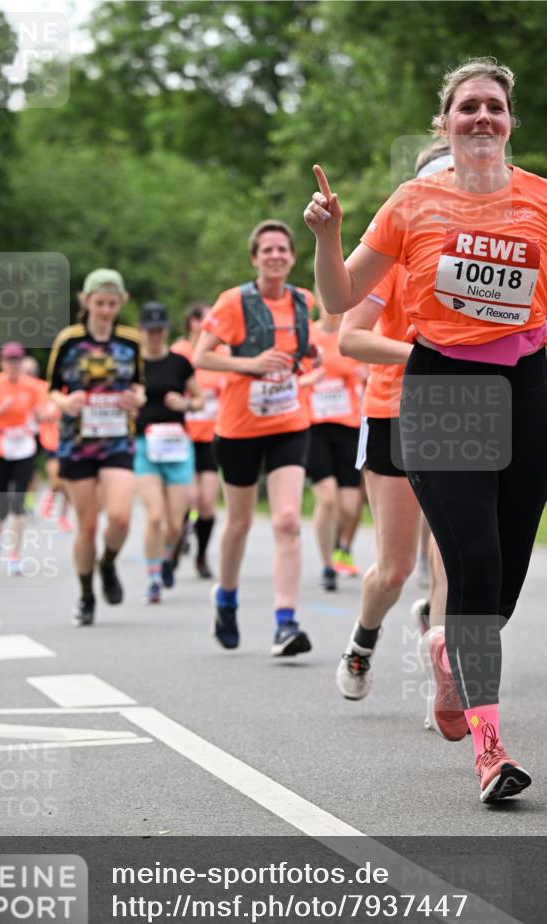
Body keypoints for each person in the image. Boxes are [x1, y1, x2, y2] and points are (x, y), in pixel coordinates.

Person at [305, 57, 547, 803]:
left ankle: (446, 649)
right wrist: (328, 237)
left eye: (494, 105)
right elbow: (338, 296)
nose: (482, 116)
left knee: (505, 581)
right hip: (443, 388)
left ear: (510, 121)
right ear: (446, 122)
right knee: (477, 562)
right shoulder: (412, 202)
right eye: (468, 106)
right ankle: (491, 751)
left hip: (525, 388)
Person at [333, 140, 450, 707]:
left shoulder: (492, 254)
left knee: (456, 556)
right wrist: (422, 357)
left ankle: (447, 688)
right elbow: (350, 338)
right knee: (396, 569)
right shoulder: (395, 254)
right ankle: (363, 639)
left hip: (462, 415)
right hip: (394, 413)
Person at [194, 219, 318, 657]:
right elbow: (202, 356)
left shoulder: (304, 301)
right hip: (239, 428)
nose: (276, 255)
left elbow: (301, 353)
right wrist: (250, 365)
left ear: (293, 257)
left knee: (286, 518)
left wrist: (307, 360)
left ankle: (286, 623)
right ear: (254, 258)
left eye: (283, 249)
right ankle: (226, 598)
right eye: (267, 249)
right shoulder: (234, 302)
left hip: (289, 423)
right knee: (240, 523)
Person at [47, 269, 145, 625]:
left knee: (120, 516)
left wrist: (137, 399)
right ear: (86, 301)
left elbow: (139, 386)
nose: (105, 310)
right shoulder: (69, 340)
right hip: (77, 443)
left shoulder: (131, 341)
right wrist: (66, 402)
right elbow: (52, 388)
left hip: (117, 439)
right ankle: (86, 594)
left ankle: (108, 564)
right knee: (87, 525)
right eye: (99, 303)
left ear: (122, 303)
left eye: (112, 304)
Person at [134, 301, 204, 604]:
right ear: (140, 331)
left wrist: (186, 403)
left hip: (177, 447)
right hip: (144, 446)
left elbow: (200, 400)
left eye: (160, 330)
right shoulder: (132, 364)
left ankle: (166, 558)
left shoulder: (179, 363)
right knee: (155, 516)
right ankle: (152, 579)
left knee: (175, 524)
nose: (155, 336)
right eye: (150, 330)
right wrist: (132, 401)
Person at [301, 301, 366, 592]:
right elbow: (291, 375)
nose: (333, 308)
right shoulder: (307, 335)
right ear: (320, 302)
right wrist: (309, 379)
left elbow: (370, 369)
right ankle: (327, 566)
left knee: (350, 507)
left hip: (348, 426)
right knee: (327, 499)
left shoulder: (352, 334)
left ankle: (341, 547)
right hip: (314, 426)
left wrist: (366, 375)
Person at [0, 343, 45, 574]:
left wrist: (43, 415)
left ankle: (15, 557)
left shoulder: (32, 386)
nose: (14, 365)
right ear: (2, 363)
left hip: (23, 447)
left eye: (17, 360)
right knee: (2, 502)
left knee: (18, 503)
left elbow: (46, 412)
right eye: (9, 360)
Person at [171, 303, 225, 579]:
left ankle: (201, 555)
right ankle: (178, 538)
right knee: (188, 497)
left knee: (206, 502)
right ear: (193, 323)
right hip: (182, 436)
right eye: (208, 319)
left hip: (212, 436)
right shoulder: (179, 352)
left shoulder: (222, 354)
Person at [21, 355, 72, 532]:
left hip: (64, 439)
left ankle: (62, 516)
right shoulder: (23, 389)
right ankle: (35, 502)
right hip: (41, 440)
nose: (28, 375)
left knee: (67, 481)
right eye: (25, 371)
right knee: (53, 479)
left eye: (31, 371)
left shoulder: (51, 388)